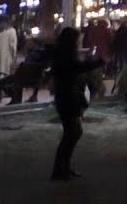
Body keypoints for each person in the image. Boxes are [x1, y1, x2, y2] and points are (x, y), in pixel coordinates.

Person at [49, 27, 104, 181]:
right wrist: (97, 62)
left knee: (72, 133)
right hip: (67, 97)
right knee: (72, 133)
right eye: (77, 39)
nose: (79, 41)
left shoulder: (64, 54)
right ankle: (60, 169)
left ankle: (63, 167)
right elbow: (76, 68)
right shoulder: (64, 55)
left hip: (68, 96)